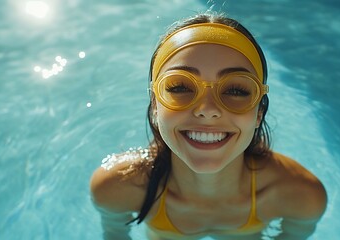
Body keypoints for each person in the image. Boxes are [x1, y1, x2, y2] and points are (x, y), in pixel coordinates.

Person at [90, 12, 327, 240]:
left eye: (236, 90)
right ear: (155, 105)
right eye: (180, 87)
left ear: (259, 113)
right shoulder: (117, 187)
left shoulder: (301, 196)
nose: (207, 109)